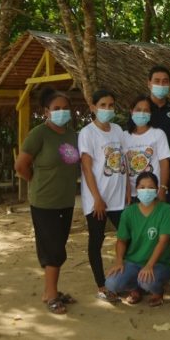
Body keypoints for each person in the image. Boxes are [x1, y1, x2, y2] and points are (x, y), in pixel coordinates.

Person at [14, 87, 80, 314]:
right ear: (46, 112)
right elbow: (20, 166)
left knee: (58, 246)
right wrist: (35, 181)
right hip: (44, 202)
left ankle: (50, 291)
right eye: (56, 108)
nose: (62, 112)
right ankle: (51, 294)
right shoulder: (39, 134)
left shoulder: (72, 134)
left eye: (65, 108)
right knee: (52, 249)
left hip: (66, 201)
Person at [78, 89, 127, 302]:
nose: (107, 109)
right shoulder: (87, 133)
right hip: (97, 199)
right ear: (93, 107)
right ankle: (101, 285)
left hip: (118, 198)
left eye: (111, 105)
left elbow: (124, 162)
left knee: (127, 237)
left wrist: (127, 191)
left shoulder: (118, 130)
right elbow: (87, 168)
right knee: (96, 240)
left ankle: (125, 278)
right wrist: (97, 198)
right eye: (103, 105)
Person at [105, 172, 170, 306]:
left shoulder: (166, 211)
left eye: (150, 188)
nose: (146, 191)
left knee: (147, 281)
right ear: (136, 189)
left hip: (159, 263)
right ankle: (135, 289)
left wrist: (149, 265)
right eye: (142, 187)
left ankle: (157, 291)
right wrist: (119, 261)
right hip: (132, 262)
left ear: (157, 190)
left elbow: (163, 241)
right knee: (111, 283)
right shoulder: (129, 212)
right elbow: (121, 240)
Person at [124, 95, 170, 203]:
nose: (142, 113)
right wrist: (127, 190)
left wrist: (162, 189)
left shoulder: (158, 134)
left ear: (150, 114)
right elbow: (124, 167)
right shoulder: (124, 136)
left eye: (146, 110)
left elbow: (164, 163)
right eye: (138, 110)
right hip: (132, 193)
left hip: (153, 191)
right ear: (131, 111)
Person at [147, 65, 170, 145]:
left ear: (169, 84)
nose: (161, 85)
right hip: (143, 156)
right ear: (149, 84)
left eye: (165, 81)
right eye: (157, 81)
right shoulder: (139, 109)